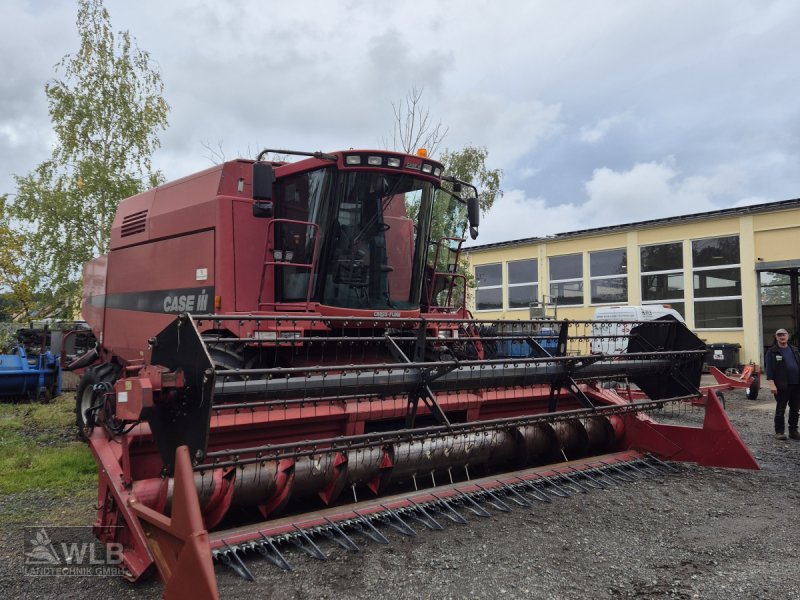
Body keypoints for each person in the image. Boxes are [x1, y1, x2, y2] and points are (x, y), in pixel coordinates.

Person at [764, 328, 800, 440]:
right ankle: (779, 432)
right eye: (779, 335)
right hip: (781, 385)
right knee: (781, 409)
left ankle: (793, 431)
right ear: (776, 337)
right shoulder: (772, 351)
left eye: (783, 335)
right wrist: (771, 384)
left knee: (795, 409)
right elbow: (769, 369)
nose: (782, 337)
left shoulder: (794, 349)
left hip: (796, 384)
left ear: (788, 336)